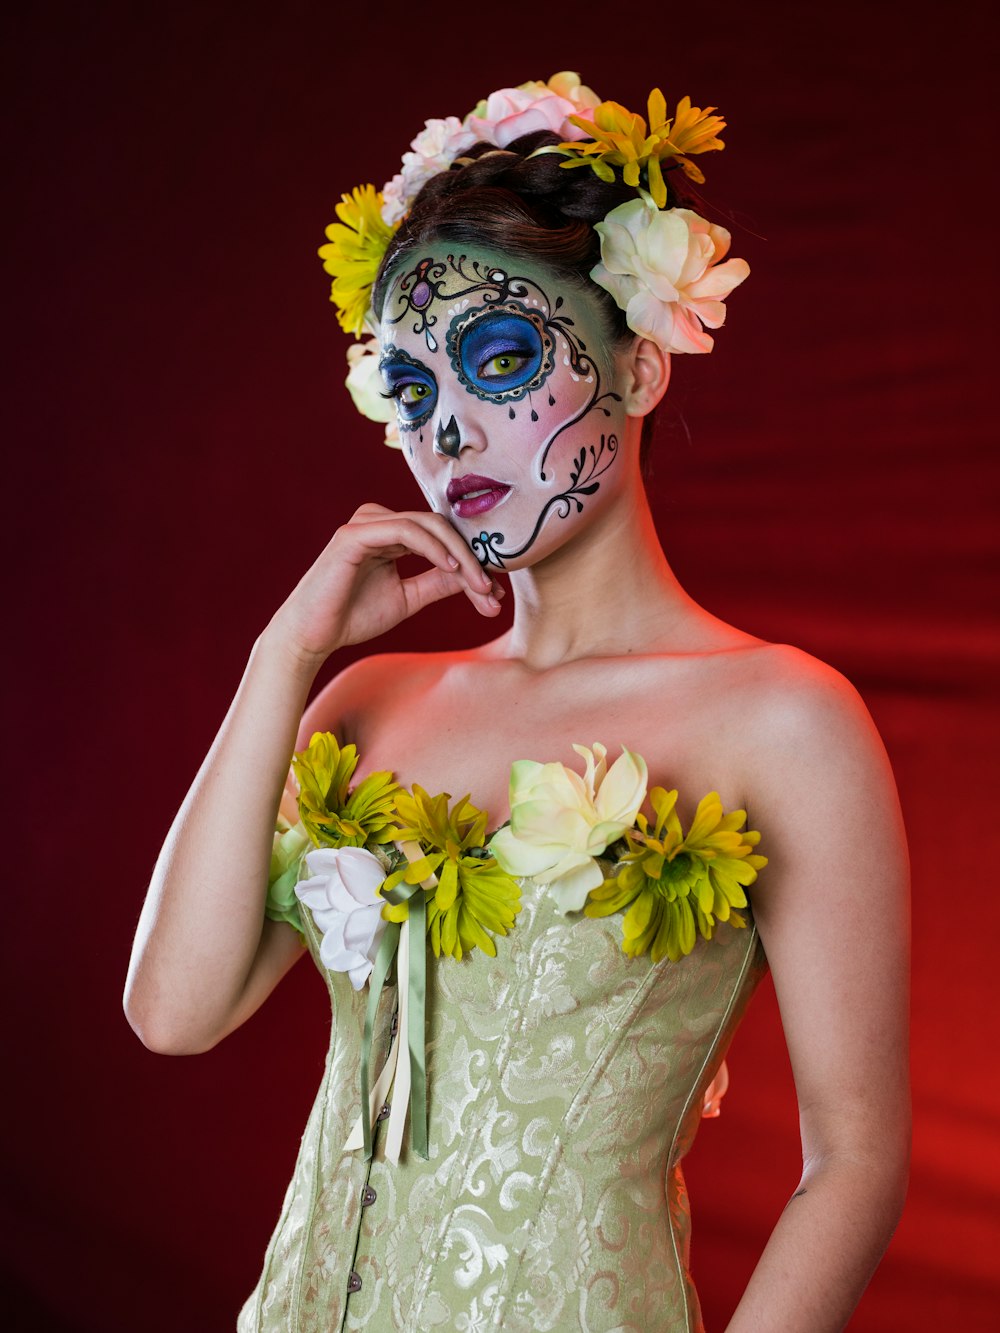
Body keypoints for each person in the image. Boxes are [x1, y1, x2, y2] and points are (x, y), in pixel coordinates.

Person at [124, 73, 911, 1332]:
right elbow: (174, 1011)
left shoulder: (781, 719)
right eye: (414, 391)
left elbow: (858, 1159)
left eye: (498, 363)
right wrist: (283, 654)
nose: (450, 436)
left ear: (641, 367)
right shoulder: (365, 699)